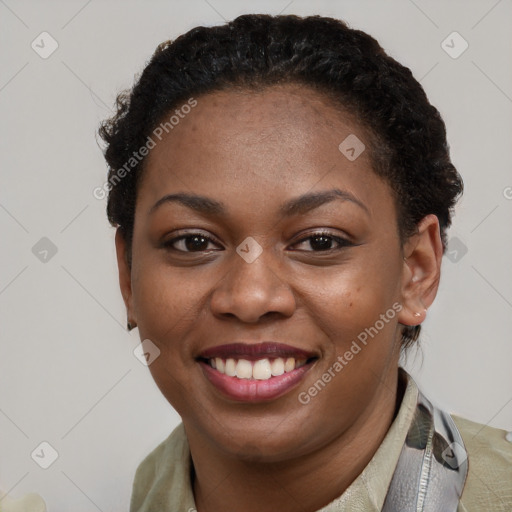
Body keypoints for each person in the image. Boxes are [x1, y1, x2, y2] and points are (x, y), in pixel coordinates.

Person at [98, 13, 512, 512]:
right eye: (191, 242)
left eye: (318, 242)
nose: (250, 298)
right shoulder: (149, 492)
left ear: (416, 271)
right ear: (128, 277)